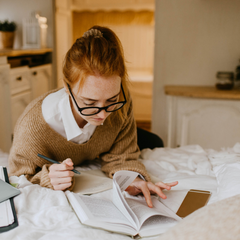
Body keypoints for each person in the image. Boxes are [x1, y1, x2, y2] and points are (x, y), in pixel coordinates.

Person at [8, 26, 177, 208]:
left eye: (112, 100)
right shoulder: (32, 128)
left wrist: (133, 179)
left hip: (109, 143)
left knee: (155, 142)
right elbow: (17, 178)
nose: (103, 115)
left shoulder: (122, 102)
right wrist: (47, 178)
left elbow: (122, 156)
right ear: (67, 87)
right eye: (89, 103)